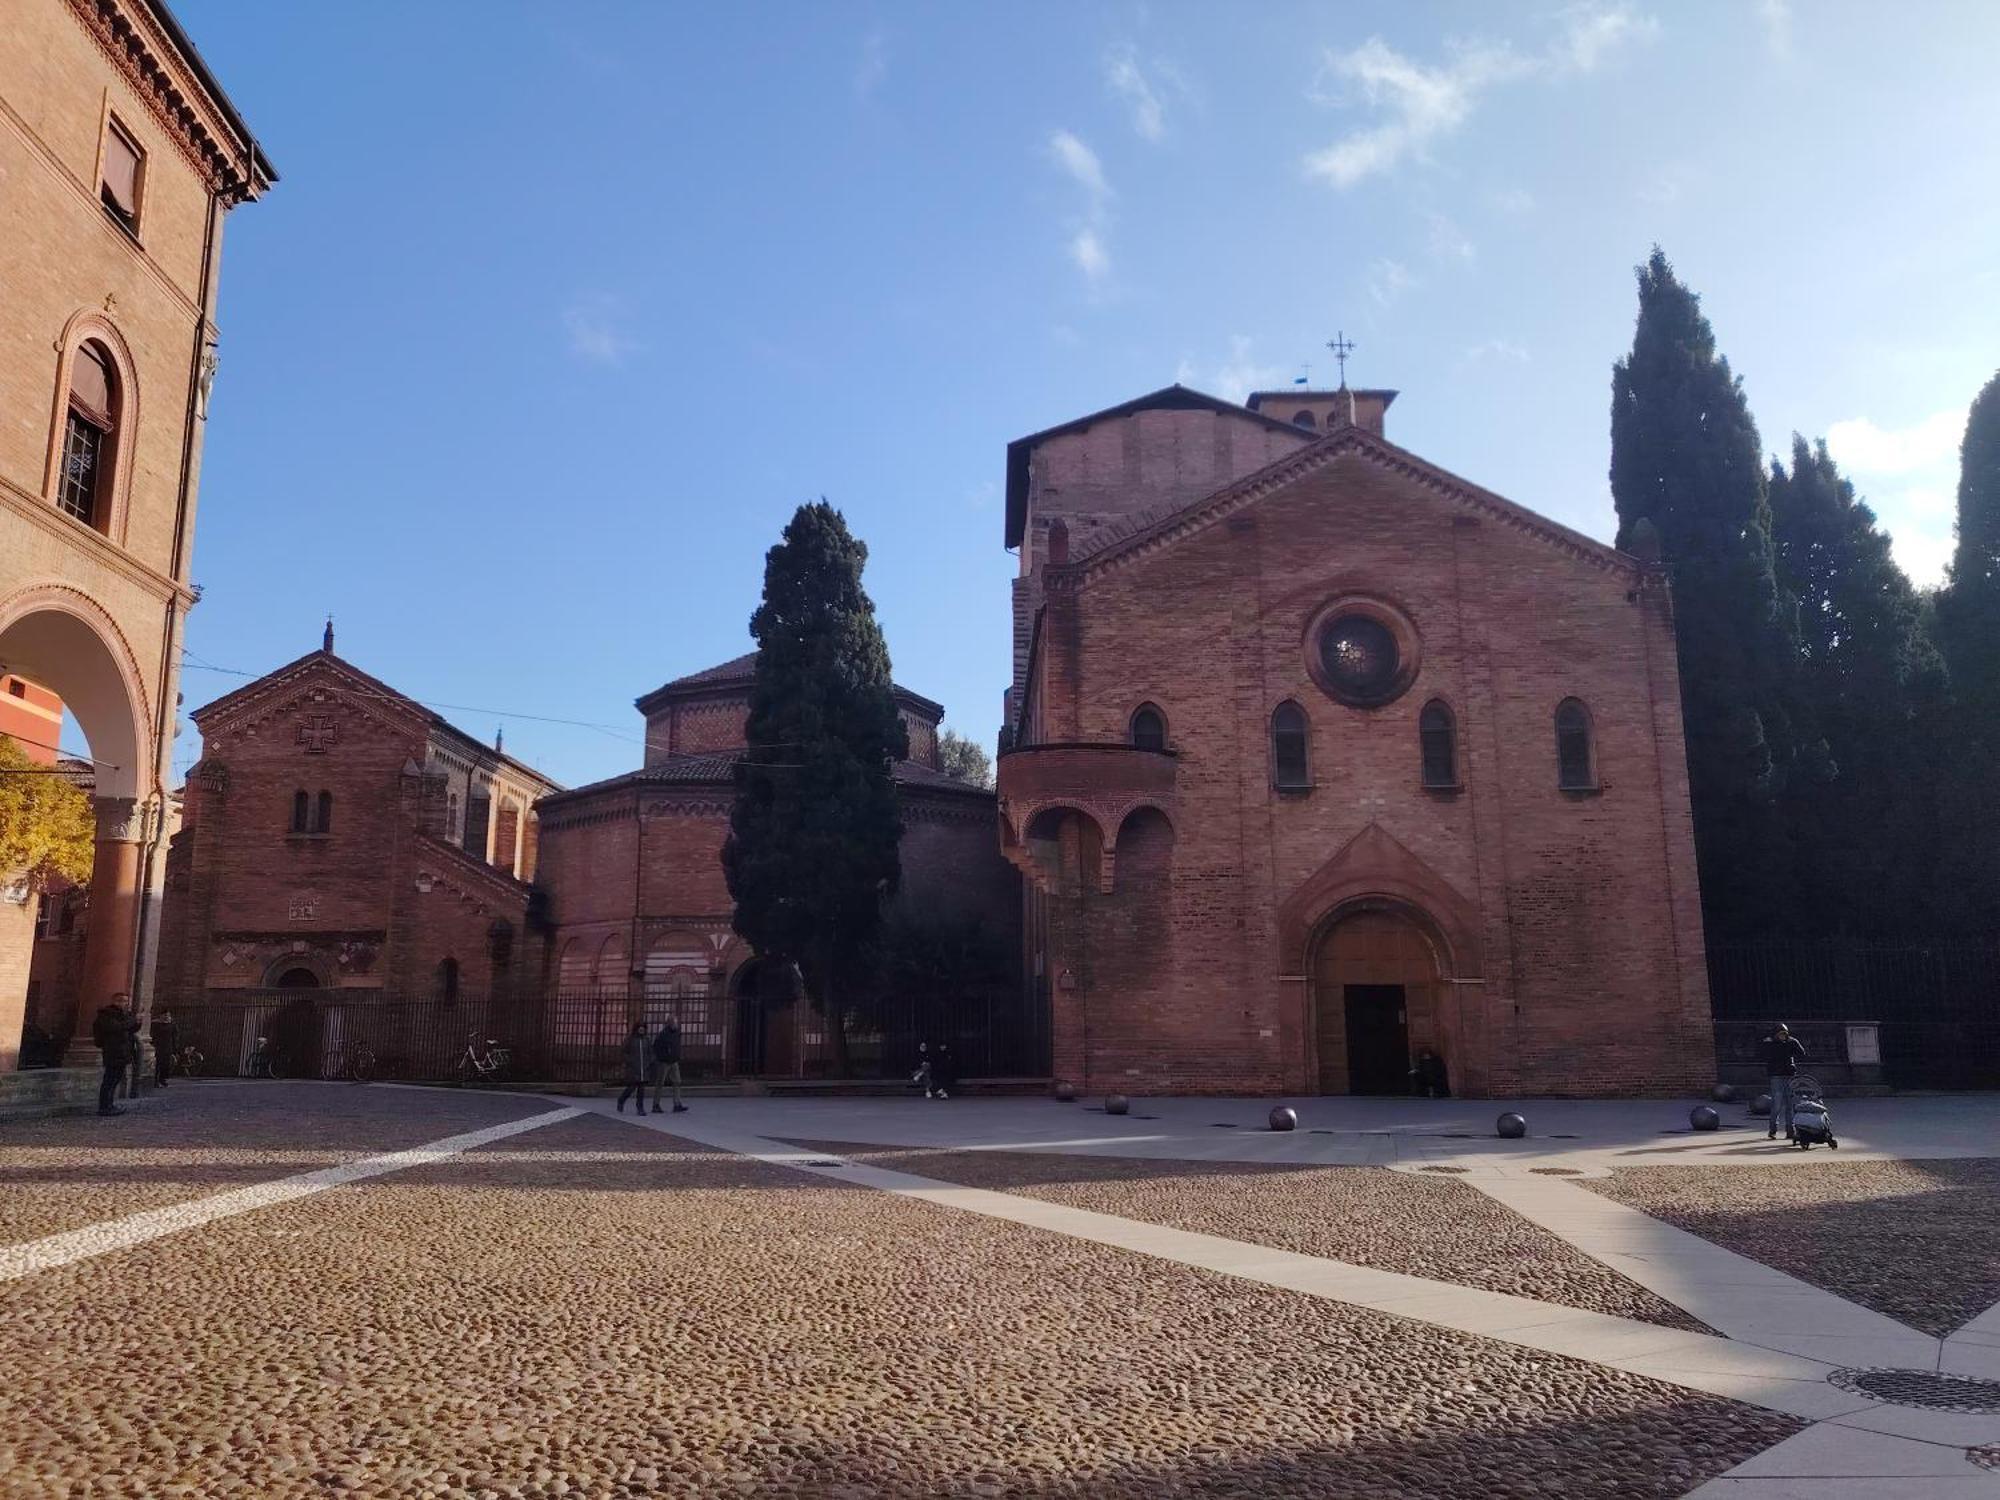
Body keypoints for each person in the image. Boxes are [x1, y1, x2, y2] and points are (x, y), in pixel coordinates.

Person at [91, 993, 138, 1117]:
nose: (125, 1004)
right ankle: (104, 1106)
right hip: (113, 1051)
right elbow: (118, 1027)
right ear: (115, 1001)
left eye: (126, 1001)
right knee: (109, 1080)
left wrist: (138, 1022)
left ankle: (109, 1104)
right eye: (122, 1001)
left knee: (115, 1079)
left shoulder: (123, 1015)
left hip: (122, 1051)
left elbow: (130, 1029)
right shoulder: (107, 1015)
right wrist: (133, 1020)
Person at [1761, 1022, 1807, 1140]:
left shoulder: (1791, 1042)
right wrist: (1767, 1044)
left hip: (1789, 1075)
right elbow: (1761, 1054)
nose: (1782, 1036)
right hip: (1776, 1076)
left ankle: (1790, 1130)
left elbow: (1802, 1053)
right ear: (1776, 1035)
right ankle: (1773, 1129)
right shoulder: (1770, 1043)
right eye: (1780, 1034)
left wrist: (1793, 1043)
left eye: (1784, 1034)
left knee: (1790, 1105)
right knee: (1776, 1104)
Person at [650, 1017, 687, 1114]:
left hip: (674, 1061)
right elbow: (656, 1047)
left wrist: (677, 1055)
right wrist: (662, 1057)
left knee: (677, 1081)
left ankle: (677, 1104)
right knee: (660, 1083)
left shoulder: (676, 1033)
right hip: (664, 1062)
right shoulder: (663, 1035)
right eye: (675, 1023)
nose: (676, 1024)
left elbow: (677, 1046)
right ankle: (656, 1104)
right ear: (670, 1024)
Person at [615, 1022, 649, 1113]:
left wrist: (649, 1062)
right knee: (631, 1087)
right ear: (636, 1029)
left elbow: (650, 1052)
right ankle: (621, 1100)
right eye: (640, 1028)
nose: (641, 1029)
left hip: (643, 1068)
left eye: (643, 1028)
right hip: (633, 1068)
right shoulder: (631, 1039)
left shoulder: (646, 1040)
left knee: (641, 1089)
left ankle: (640, 1107)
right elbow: (624, 1052)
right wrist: (630, 1061)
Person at [150, 1008, 178, 1089]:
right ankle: (156, 1081)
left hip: (168, 1047)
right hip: (158, 1047)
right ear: (161, 1015)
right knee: (157, 1065)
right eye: (165, 1015)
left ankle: (162, 1079)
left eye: (168, 1015)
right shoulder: (155, 1024)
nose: (166, 1017)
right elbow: (153, 1035)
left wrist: (175, 1048)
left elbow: (175, 1037)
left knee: (165, 1065)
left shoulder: (172, 1025)